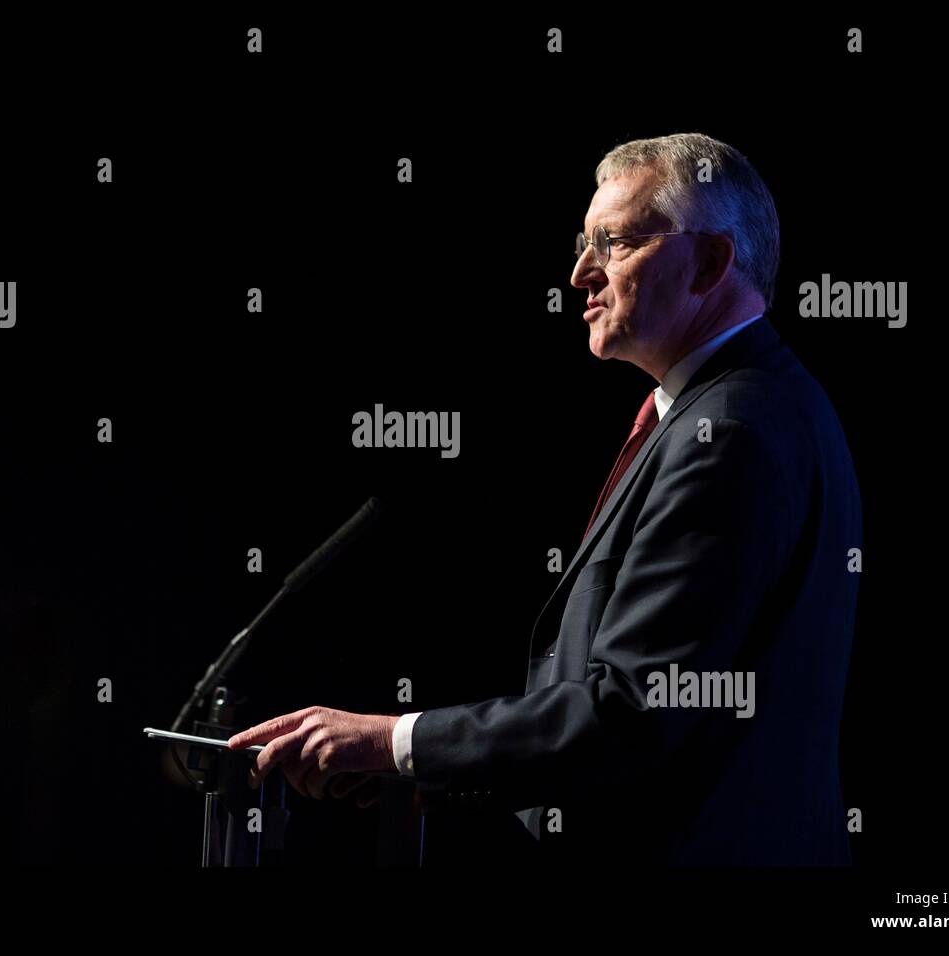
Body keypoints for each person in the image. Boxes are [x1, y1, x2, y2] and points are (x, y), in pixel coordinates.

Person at [228, 133, 862, 865]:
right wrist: (414, 772)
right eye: (581, 243)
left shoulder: (734, 433)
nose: (579, 273)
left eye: (613, 242)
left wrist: (395, 740)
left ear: (711, 262)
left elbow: (631, 713)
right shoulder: (735, 409)